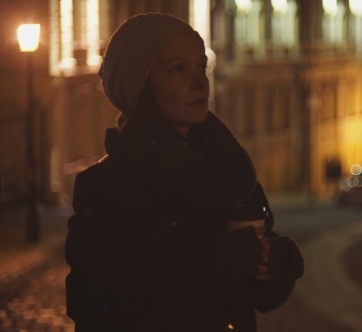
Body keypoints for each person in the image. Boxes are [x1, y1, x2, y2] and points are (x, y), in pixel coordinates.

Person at [65, 13, 304, 332]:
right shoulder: (109, 184)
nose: (200, 82)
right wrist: (210, 265)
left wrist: (274, 265)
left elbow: (255, 293)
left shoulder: (228, 167)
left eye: (201, 67)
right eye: (177, 69)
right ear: (141, 84)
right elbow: (96, 306)